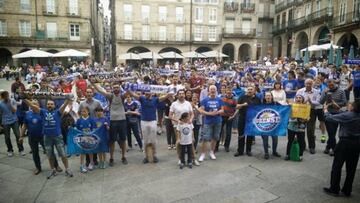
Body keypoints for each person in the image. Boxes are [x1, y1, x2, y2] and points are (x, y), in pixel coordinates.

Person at [24, 98, 73, 178]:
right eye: (48, 104)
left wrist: (68, 99)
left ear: (54, 105)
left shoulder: (58, 112)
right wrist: (24, 99)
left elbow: (64, 105)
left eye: (51, 104)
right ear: (46, 105)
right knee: (49, 155)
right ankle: (53, 170)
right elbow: (32, 106)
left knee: (63, 154)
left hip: (57, 137)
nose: (50, 105)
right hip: (47, 137)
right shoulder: (43, 112)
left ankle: (67, 169)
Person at [323, 100, 360, 197]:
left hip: (345, 143)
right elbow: (343, 113)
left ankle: (334, 189)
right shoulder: (352, 114)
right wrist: (338, 108)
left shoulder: (349, 116)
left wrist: (326, 109)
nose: (349, 105)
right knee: (351, 168)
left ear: (354, 107)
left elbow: (329, 118)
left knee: (337, 166)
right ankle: (347, 190)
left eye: (351, 104)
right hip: (357, 143)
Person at [129, 89, 172, 163]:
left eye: (148, 92)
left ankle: (154, 155)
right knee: (145, 140)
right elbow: (134, 95)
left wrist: (169, 93)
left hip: (152, 121)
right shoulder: (142, 98)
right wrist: (129, 90)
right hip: (144, 121)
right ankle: (146, 156)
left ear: (151, 93)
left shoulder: (155, 99)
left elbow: (164, 97)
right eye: (146, 92)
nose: (147, 93)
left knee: (153, 140)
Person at [92, 82, 128, 166]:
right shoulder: (110, 96)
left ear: (120, 88)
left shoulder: (122, 96)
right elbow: (100, 90)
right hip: (113, 121)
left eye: (117, 87)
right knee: (112, 141)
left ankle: (123, 157)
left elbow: (129, 92)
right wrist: (93, 83)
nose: (116, 89)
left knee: (123, 140)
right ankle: (111, 158)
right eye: (114, 87)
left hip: (122, 120)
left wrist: (129, 85)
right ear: (112, 89)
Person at [196, 85, 224, 162]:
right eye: (211, 89)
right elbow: (201, 111)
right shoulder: (204, 100)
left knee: (215, 137)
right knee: (205, 138)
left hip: (217, 121)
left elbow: (222, 110)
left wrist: (217, 112)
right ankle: (203, 154)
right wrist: (209, 114)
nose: (213, 90)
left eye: (214, 89)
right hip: (208, 122)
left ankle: (212, 152)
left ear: (216, 90)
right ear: (208, 91)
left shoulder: (219, 99)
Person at [320, 79, 347, 156]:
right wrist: (325, 94)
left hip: (337, 114)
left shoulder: (341, 91)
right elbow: (321, 102)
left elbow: (344, 102)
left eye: (332, 85)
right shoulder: (325, 91)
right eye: (329, 85)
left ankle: (328, 147)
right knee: (331, 133)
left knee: (333, 132)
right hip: (327, 113)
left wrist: (334, 103)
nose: (330, 87)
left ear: (335, 84)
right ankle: (334, 149)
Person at [296, 79, 322, 154]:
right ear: (304, 84)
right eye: (307, 83)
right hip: (301, 111)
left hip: (312, 111)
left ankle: (312, 147)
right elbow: (296, 100)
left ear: (312, 84)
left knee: (310, 130)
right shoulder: (300, 91)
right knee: (301, 129)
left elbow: (318, 102)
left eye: (310, 84)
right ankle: (302, 146)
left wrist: (311, 101)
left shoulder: (316, 91)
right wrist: (303, 102)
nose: (308, 85)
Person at [234, 86, 261, 157]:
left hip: (252, 119)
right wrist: (243, 104)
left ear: (254, 91)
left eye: (251, 89)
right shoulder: (242, 97)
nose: (249, 91)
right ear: (246, 90)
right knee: (241, 135)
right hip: (242, 118)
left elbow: (260, 109)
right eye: (248, 89)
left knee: (250, 135)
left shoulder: (257, 99)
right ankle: (240, 151)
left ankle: (248, 150)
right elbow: (236, 106)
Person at [0, 91, 25, 156]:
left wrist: (9, 104)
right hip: (5, 121)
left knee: (18, 135)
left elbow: (14, 111)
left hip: (14, 120)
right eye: (5, 96)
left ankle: (21, 149)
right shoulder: (0, 103)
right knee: (7, 137)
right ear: (2, 97)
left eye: (7, 96)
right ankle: (10, 150)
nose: (6, 97)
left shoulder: (12, 101)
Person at [285, 95, 308, 161]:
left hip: (301, 126)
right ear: (295, 99)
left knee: (301, 141)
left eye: (300, 98)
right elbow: (289, 116)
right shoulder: (291, 106)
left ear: (302, 100)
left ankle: (300, 155)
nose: (298, 99)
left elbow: (307, 118)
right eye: (297, 98)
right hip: (291, 126)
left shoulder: (306, 107)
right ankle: (287, 154)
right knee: (290, 141)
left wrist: (304, 119)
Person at [261, 92, 281, 159]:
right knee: (265, 139)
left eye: (269, 95)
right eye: (266, 96)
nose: (268, 97)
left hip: (274, 125)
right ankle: (266, 153)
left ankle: (274, 151)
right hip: (264, 125)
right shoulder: (261, 104)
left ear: (272, 97)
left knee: (275, 139)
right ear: (264, 97)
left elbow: (284, 109)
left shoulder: (276, 103)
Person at [76, 106, 96, 173]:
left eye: (84, 111)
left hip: (90, 138)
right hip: (82, 139)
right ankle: (81, 165)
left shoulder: (91, 120)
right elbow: (77, 130)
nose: (83, 113)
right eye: (82, 111)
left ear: (88, 112)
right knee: (82, 152)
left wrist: (91, 135)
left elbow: (94, 129)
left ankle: (91, 163)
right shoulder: (79, 120)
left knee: (90, 151)